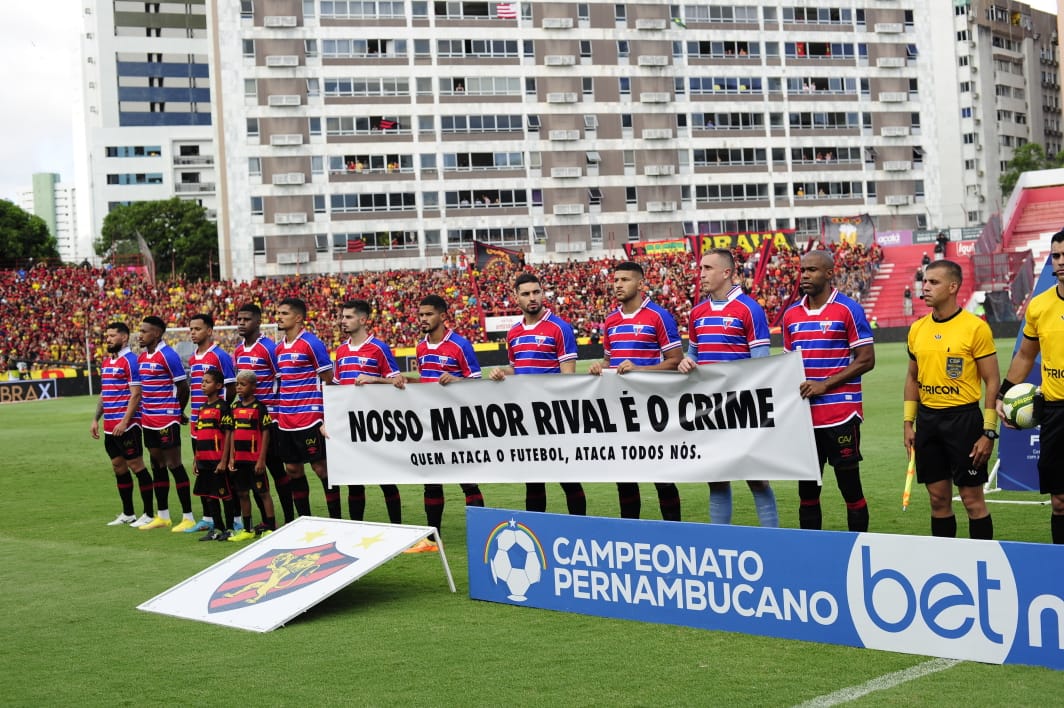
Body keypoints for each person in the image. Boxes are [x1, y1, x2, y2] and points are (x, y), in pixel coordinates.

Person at [677, 249, 778, 527]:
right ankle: (719, 540)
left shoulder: (749, 309)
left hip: (742, 408)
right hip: (709, 410)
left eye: (708, 268)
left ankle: (773, 540)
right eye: (700, 268)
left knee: (757, 479)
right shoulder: (697, 312)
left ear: (726, 272)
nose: (701, 274)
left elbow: (760, 364)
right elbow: (694, 354)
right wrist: (687, 362)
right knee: (717, 480)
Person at [782, 250, 875, 532]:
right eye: (803, 270)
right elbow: (788, 366)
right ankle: (813, 555)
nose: (806, 275)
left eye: (812, 270)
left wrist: (825, 384)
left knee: (851, 490)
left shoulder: (848, 309)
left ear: (829, 273)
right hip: (805, 419)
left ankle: (858, 550)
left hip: (840, 415)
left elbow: (867, 359)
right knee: (807, 494)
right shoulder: (790, 315)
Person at [904, 260, 998, 540]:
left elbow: (992, 380)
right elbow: (912, 378)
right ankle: (947, 565)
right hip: (929, 421)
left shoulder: (975, 328)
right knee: (937, 501)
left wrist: (989, 431)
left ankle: (983, 564)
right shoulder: (917, 329)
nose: (925, 287)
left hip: (964, 421)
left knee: (972, 501)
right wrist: (908, 423)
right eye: (925, 281)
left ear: (953, 286)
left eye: (934, 282)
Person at [588, 262, 683, 521]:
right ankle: (629, 532)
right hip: (620, 411)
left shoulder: (658, 316)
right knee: (625, 478)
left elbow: (675, 360)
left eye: (625, 280)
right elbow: (610, 363)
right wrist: (600, 368)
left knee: (660, 476)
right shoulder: (610, 320)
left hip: (652, 409)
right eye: (616, 279)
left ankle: (674, 532)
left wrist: (641, 369)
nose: (618, 284)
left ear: (640, 284)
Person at [490, 273, 586, 516]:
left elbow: (568, 377)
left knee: (567, 478)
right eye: (526, 294)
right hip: (526, 417)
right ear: (516, 297)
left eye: (536, 292)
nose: (532, 298)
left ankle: (579, 526)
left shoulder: (559, 328)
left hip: (554, 416)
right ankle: (534, 529)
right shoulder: (513, 333)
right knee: (533, 479)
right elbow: (518, 367)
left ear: (542, 293)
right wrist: (503, 372)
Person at [997, 229, 1064, 543]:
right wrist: (1003, 394)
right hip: (1055, 413)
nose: (1060, 262)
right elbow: (1025, 355)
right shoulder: (1039, 306)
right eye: (1056, 255)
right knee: (1060, 501)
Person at [407, 295, 486, 552]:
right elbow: (425, 382)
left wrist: (456, 380)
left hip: (457, 422)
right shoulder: (420, 347)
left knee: (467, 480)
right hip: (430, 422)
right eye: (420, 315)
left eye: (428, 314)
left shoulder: (460, 345)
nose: (423, 319)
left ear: (442, 315)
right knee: (431, 479)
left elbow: (477, 382)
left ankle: (481, 534)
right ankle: (432, 540)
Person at [333, 299, 404, 524]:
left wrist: (374, 379)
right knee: (354, 482)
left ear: (362, 320)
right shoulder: (341, 350)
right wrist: (330, 421)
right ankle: (356, 528)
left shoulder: (378, 348)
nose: (343, 321)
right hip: (349, 426)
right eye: (342, 317)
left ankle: (397, 528)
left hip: (375, 424)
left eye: (348, 317)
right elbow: (336, 390)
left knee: (386, 479)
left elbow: (398, 381)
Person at [274, 297, 337, 518]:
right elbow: (282, 382)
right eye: (278, 313)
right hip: (286, 420)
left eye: (284, 313)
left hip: (309, 418)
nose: (279, 317)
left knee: (321, 469)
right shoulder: (279, 348)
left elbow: (329, 379)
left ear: (298, 318)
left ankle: (335, 520)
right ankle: (305, 520)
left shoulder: (311, 343)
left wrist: (324, 414)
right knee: (292, 469)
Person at [234, 303, 294, 527]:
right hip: (246, 424)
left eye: (246, 319)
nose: (241, 323)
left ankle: (289, 520)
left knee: (277, 471)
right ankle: (269, 521)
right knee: (253, 474)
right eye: (239, 319)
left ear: (258, 322)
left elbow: (281, 380)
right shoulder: (239, 351)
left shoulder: (269, 348)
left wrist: (276, 415)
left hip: (269, 421)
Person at [90, 321, 154, 527]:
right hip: (110, 425)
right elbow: (104, 393)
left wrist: (125, 422)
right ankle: (128, 513)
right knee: (118, 467)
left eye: (112, 336)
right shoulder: (108, 362)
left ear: (124, 338)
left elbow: (136, 394)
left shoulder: (131, 361)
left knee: (136, 466)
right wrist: (95, 419)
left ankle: (149, 514)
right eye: (107, 336)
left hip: (127, 426)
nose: (107, 339)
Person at [136, 316, 196, 531]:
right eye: (140, 331)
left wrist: (176, 413)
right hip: (148, 418)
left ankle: (188, 516)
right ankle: (163, 516)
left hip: (166, 419)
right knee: (156, 465)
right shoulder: (142, 358)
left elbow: (183, 388)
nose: (140, 335)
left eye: (145, 331)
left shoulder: (168, 355)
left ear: (157, 334)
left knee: (174, 465)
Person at [185, 313, 238, 534]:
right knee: (204, 473)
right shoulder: (192, 358)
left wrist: (221, 411)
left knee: (222, 474)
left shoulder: (220, 356)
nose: (193, 333)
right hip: (198, 421)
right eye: (191, 329)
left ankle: (234, 519)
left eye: (197, 329)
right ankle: (209, 519)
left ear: (209, 331)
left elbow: (232, 386)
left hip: (215, 422)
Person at [228, 369, 276, 540]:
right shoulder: (233, 407)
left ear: (253, 386)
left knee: (263, 493)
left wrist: (261, 459)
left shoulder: (259, 408)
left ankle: (270, 527)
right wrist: (232, 457)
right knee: (242, 493)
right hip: (239, 459)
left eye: (243, 384)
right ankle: (247, 530)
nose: (238, 388)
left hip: (254, 460)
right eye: (237, 384)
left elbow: (266, 434)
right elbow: (232, 432)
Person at [190, 368, 235, 541]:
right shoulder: (201, 408)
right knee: (209, 496)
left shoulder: (223, 407)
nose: (203, 385)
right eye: (202, 382)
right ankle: (217, 528)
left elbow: (229, 434)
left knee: (225, 494)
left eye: (207, 382)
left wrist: (225, 460)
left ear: (218, 386)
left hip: (217, 460)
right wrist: (196, 459)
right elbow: (199, 436)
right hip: (204, 460)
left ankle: (230, 528)